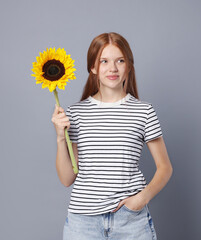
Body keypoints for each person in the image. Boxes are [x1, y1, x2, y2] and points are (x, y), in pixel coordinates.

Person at [51, 32, 173, 240]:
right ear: (93, 67)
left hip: (131, 221)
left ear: (129, 66)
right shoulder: (75, 113)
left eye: (120, 60)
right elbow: (66, 178)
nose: (113, 68)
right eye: (104, 61)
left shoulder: (143, 111)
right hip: (83, 223)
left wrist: (141, 199)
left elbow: (165, 168)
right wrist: (61, 138)